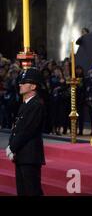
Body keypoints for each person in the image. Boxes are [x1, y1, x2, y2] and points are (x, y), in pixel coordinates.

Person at [6, 68, 46, 196]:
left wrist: (12, 147)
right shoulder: (26, 104)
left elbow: (26, 130)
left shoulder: (36, 104)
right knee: (23, 191)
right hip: (22, 155)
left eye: (24, 82)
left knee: (32, 191)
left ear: (33, 86)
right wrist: (12, 146)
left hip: (30, 156)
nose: (20, 84)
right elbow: (17, 128)